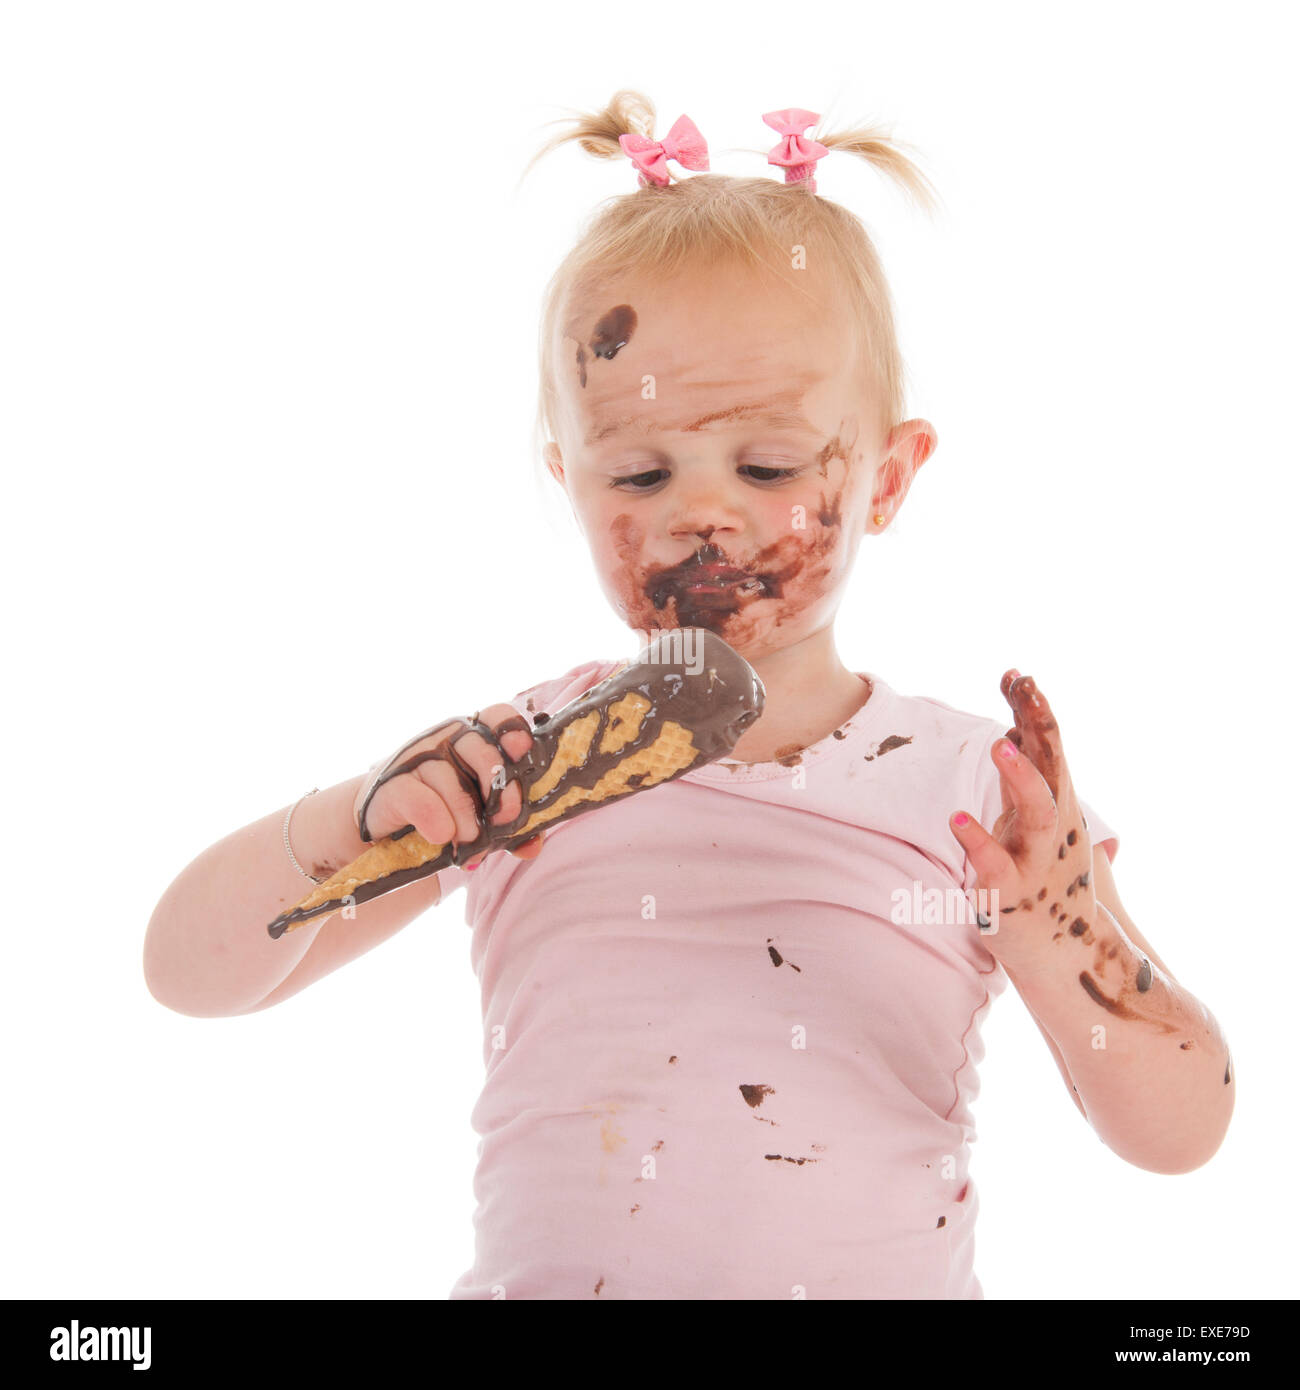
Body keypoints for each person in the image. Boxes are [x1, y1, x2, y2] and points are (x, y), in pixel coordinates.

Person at [144, 90, 1233, 1299]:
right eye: (640, 469)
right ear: (567, 480)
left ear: (887, 476)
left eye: (766, 466)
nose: (698, 511)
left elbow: (1178, 1134)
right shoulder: (526, 762)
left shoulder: (978, 796)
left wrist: (1058, 928)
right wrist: (357, 820)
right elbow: (189, 973)